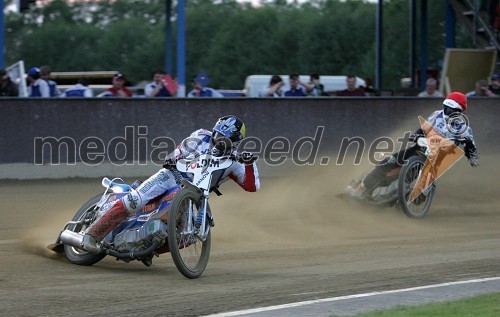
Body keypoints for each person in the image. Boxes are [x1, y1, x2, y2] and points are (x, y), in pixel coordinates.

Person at [81, 115, 260, 253]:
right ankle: (92, 234)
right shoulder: (201, 136)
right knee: (135, 200)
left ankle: (147, 250)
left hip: (194, 194)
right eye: (218, 134)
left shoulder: (236, 161)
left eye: (225, 138)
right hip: (172, 175)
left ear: (235, 142)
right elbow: (182, 150)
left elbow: (251, 187)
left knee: (188, 236)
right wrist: (179, 157)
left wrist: (249, 163)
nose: (219, 139)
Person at [345, 92, 479, 198]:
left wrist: (471, 154)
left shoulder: (463, 128)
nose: (447, 112)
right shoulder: (437, 114)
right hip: (419, 149)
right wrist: (416, 135)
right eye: (446, 108)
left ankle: (401, 195)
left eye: (452, 110)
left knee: (409, 186)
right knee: (387, 162)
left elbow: (470, 145)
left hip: (436, 160)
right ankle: (362, 188)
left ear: (460, 112)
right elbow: (423, 128)